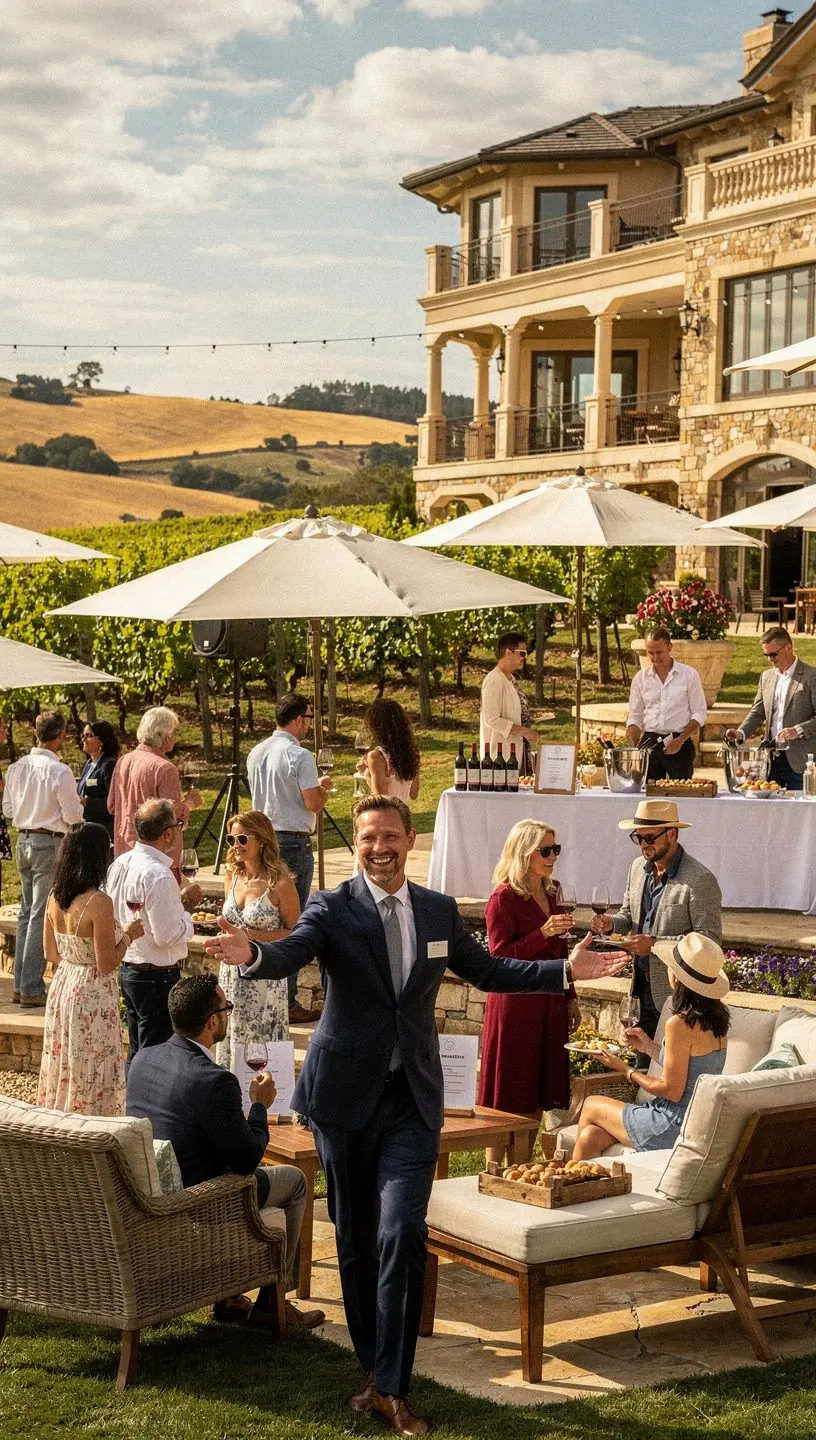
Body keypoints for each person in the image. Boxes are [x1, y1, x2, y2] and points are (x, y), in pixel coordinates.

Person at [206, 794, 628, 1437]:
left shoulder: (434, 910)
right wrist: (254, 956)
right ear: (359, 841)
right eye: (369, 837)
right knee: (353, 1240)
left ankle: (394, 1388)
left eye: (392, 837)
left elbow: (487, 967)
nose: (380, 847)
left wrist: (560, 969)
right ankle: (374, 1374)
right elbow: (291, 952)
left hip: (411, 1100)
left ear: (409, 840)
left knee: (403, 1231)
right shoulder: (331, 907)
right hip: (344, 1100)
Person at [127, 972, 324, 1330]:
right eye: (226, 1007)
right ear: (212, 1021)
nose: (228, 1014)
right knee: (294, 1180)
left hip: (152, 1198)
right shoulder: (213, 1080)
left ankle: (230, 1298)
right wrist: (260, 1107)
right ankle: (272, 1302)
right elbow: (247, 1161)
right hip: (203, 1204)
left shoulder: (143, 1059)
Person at [573, 933, 730, 1158]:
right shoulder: (718, 1021)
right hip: (694, 1120)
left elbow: (671, 1091)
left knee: (591, 1104)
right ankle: (582, 1185)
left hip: (671, 1124)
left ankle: (568, 1182)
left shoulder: (679, 1024)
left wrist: (625, 1070)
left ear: (677, 977)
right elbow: (688, 1070)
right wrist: (648, 1046)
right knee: (590, 1138)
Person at [478, 819, 578, 1166]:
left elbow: (562, 953)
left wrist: (571, 997)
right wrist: (544, 932)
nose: (553, 857)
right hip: (516, 1007)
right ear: (524, 854)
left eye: (556, 849)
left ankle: (520, 1166)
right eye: (546, 850)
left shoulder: (554, 892)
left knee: (537, 1089)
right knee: (508, 1091)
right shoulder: (502, 898)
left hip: (549, 1001)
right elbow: (499, 959)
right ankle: (493, 1169)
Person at [591, 798, 722, 1048]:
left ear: (672, 834)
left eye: (649, 838)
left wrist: (653, 945)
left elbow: (709, 941)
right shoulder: (638, 868)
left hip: (678, 995)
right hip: (639, 989)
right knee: (642, 1063)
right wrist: (610, 924)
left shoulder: (700, 880)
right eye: (638, 838)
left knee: (668, 1073)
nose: (643, 845)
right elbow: (628, 915)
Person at [37, 823, 144, 1115]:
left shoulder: (54, 896)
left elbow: (51, 953)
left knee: (66, 1058)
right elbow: (106, 962)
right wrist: (130, 936)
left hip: (63, 984)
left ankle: (61, 1117)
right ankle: (93, 1121)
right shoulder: (99, 902)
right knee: (94, 1060)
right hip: (91, 991)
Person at [246, 692, 332, 1024]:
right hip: (293, 842)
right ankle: (289, 1000)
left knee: (264, 917)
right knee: (292, 923)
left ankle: (268, 992)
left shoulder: (257, 751)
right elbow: (312, 803)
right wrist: (323, 789)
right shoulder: (300, 755)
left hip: (262, 839)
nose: (309, 725)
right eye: (309, 718)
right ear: (297, 719)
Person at [107, 798, 200, 1069]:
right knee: (153, 1056)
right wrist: (187, 915)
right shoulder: (158, 874)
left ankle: (131, 1105)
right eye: (178, 825)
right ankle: (145, 1109)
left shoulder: (120, 863)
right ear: (168, 833)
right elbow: (166, 936)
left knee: (137, 1050)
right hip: (156, 975)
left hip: (130, 969)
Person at [2, 709, 84, 1007]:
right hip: (48, 842)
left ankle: (21, 985)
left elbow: (9, 810)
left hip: (23, 839)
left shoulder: (16, 767)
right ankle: (32, 987)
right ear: (60, 736)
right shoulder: (59, 771)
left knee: (27, 912)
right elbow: (73, 816)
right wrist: (78, 805)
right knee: (38, 913)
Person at [215, 810, 300, 1072]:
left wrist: (250, 937)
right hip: (230, 974)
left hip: (263, 975)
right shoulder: (233, 876)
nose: (236, 846)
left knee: (259, 1049)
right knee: (231, 1040)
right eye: (232, 840)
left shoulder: (280, 883)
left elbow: (295, 933)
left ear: (261, 840)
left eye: (243, 839)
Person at [107, 706, 202, 876]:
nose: (175, 737)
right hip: (157, 859)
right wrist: (190, 803)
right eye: (175, 732)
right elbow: (173, 817)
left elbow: (112, 806)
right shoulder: (165, 769)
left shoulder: (123, 761)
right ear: (164, 735)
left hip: (124, 854)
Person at [726, 626, 816, 791]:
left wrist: (798, 730)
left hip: (800, 761)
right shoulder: (766, 676)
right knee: (769, 811)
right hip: (769, 760)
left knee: (799, 812)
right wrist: (741, 733)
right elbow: (757, 711)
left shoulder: (811, 676)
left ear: (788, 647)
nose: (770, 659)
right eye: (766, 655)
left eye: (773, 654)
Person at [626, 625, 707, 781]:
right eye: (650, 653)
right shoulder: (640, 679)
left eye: (659, 652)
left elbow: (699, 713)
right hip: (649, 742)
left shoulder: (689, 675)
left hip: (680, 742)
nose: (655, 658)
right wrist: (634, 743)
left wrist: (680, 739)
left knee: (681, 794)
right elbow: (635, 715)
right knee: (647, 796)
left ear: (669, 647)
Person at [480, 632, 540, 775]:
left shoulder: (510, 678)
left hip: (515, 753)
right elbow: (491, 719)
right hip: (500, 759)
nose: (525, 657)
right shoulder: (494, 680)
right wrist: (524, 731)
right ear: (508, 653)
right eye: (522, 653)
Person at [356, 698, 421, 803]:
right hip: (403, 814)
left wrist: (366, 773)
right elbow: (413, 794)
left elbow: (381, 798)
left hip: (386, 817)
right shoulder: (411, 753)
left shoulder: (377, 756)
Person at [77, 719, 120, 839]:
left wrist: (87, 801)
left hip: (102, 831)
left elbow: (114, 801)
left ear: (102, 740)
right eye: (83, 735)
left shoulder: (109, 765)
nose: (84, 739)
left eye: (89, 736)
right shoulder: (89, 763)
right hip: (87, 826)